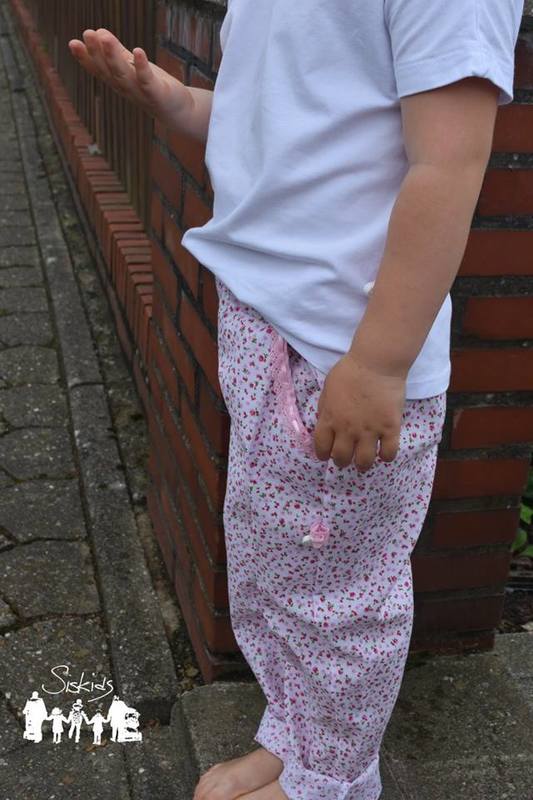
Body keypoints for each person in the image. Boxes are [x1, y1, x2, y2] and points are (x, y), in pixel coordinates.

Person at [68, 2, 523, 797]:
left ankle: (332, 777)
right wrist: (171, 99)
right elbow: (272, 119)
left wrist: (377, 361)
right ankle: (297, 736)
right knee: (273, 569)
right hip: (271, 327)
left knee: (337, 599)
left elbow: (449, 164)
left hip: (340, 352)